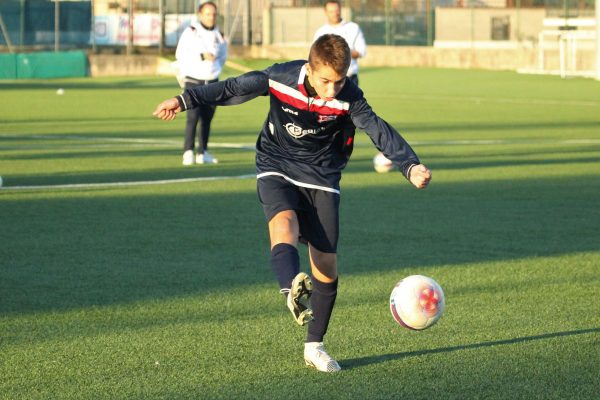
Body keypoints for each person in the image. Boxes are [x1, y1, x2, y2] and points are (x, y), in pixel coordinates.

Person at [153, 34, 432, 373]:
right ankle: (291, 288)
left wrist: (409, 164)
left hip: (322, 176)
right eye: (326, 80)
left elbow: (377, 129)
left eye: (339, 81)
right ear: (310, 69)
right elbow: (230, 88)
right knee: (283, 223)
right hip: (277, 164)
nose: (332, 89)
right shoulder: (280, 77)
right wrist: (184, 100)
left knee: (326, 265)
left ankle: (314, 345)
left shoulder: (349, 97)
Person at [175, 1, 227, 165]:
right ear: (200, 15)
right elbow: (180, 54)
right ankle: (188, 151)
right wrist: (201, 56)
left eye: (213, 14)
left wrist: (216, 66)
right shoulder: (191, 32)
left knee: (207, 118)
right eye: (207, 14)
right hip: (193, 80)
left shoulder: (219, 35)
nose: (211, 17)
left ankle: (202, 151)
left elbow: (223, 56)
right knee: (193, 116)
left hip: (212, 82)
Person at [313, 0, 366, 86]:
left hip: (350, 78)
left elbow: (361, 52)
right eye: (331, 11)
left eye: (337, 10)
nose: (335, 13)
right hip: (328, 80)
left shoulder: (353, 28)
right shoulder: (320, 32)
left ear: (340, 9)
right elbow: (315, 56)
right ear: (325, 12)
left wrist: (341, 52)